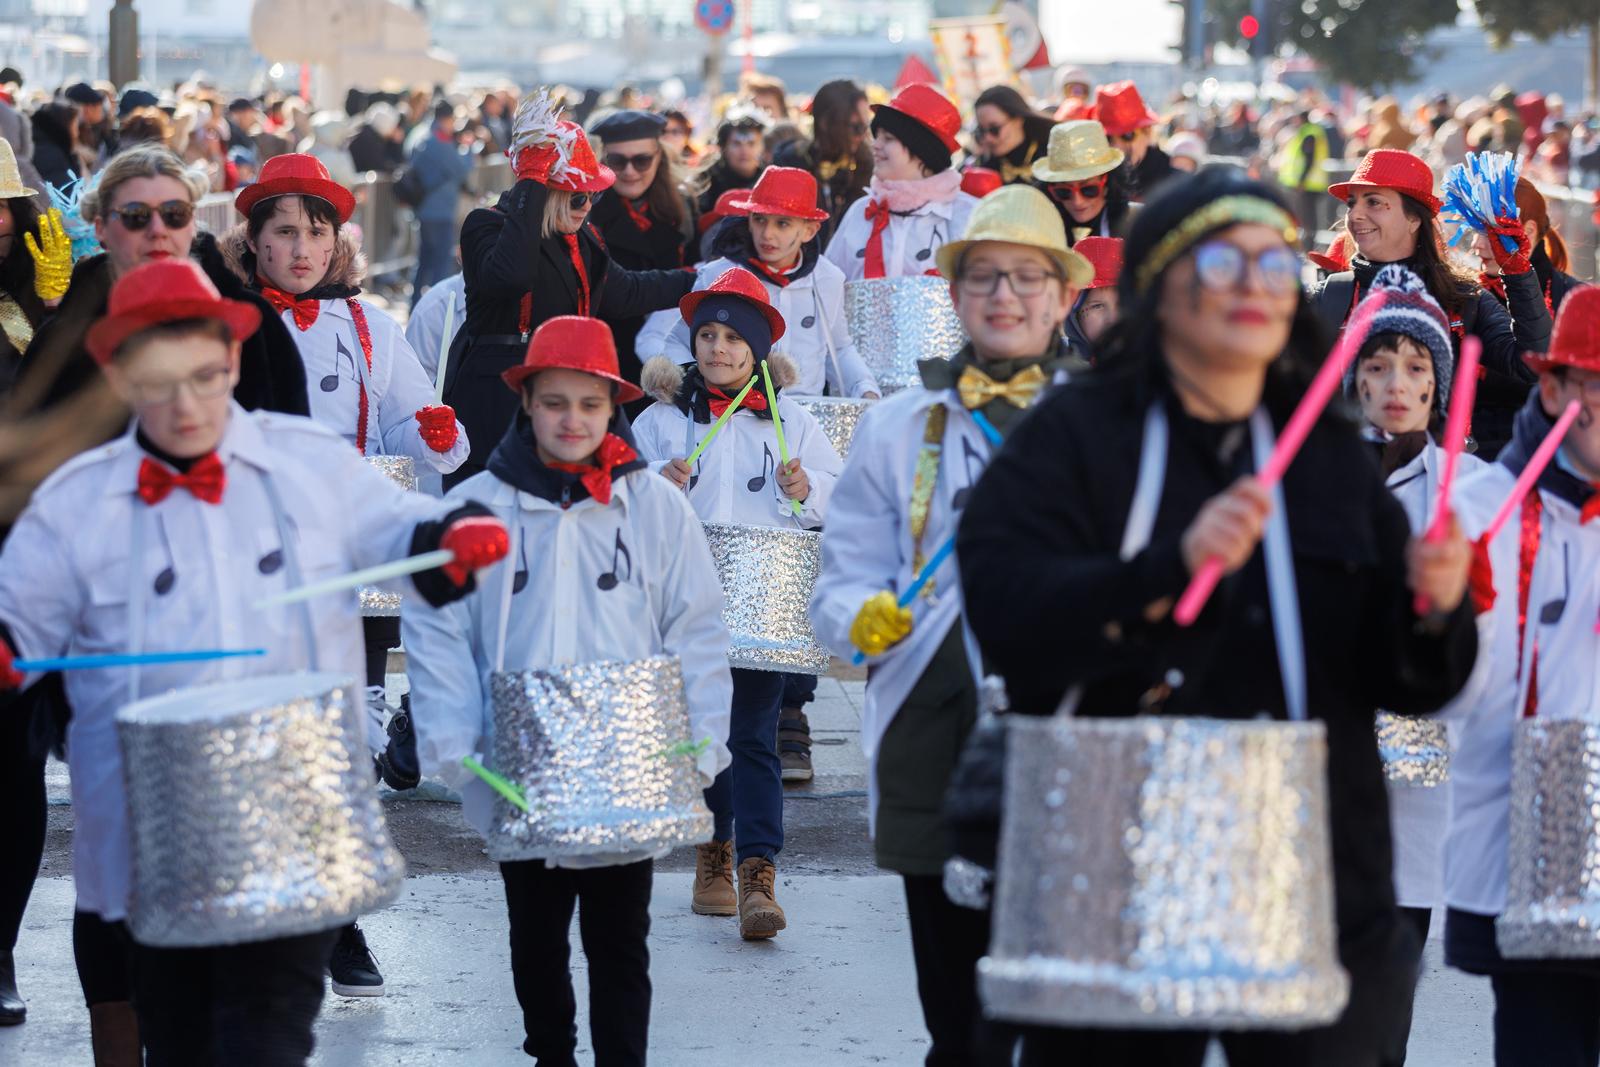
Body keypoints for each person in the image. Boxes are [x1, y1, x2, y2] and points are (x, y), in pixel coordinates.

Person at [957, 168, 1477, 1066]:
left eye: (1273, 267)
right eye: (1222, 265)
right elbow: (1007, 608)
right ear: (1162, 286)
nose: (1254, 287)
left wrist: (1435, 607)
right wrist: (1167, 569)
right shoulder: (1076, 434)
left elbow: (1412, 680)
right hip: (1114, 856)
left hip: (1312, 872)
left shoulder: (1326, 458)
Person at [0, 257, 507, 1064]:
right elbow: (20, 615)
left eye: (204, 376)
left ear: (233, 363)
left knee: (269, 1032)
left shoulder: (306, 462)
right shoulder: (76, 500)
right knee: (179, 1035)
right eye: (160, 381)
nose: (187, 403)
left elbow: (401, 528)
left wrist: (446, 542)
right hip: (150, 832)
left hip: (292, 816)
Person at [810, 183, 1090, 1067]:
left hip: (1071, 739)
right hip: (933, 732)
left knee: (1057, 1012)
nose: (1005, 296)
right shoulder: (896, 427)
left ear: (1063, 295)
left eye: (1026, 277)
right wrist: (866, 617)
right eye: (984, 278)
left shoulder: (1105, 428)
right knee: (958, 1021)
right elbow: (838, 586)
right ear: (955, 293)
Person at [405, 314, 731, 1067]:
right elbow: (440, 629)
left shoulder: (652, 505)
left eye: (589, 404)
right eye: (555, 402)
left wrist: (701, 743)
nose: (572, 419)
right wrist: (454, 748)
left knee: (622, 942)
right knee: (535, 936)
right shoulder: (479, 505)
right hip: (517, 764)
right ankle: (550, 1052)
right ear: (527, 403)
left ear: (611, 405)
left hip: (628, 760)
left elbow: (697, 624)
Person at [632, 266, 843, 940]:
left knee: (753, 733)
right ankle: (713, 849)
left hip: (762, 604)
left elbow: (833, 506)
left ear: (755, 348)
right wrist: (658, 486)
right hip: (686, 605)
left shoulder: (793, 420)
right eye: (708, 336)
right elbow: (622, 504)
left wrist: (806, 487)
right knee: (707, 734)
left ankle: (758, 870)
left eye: (732, 338)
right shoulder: (664, 421)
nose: (718, 349)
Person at [1442, 287, 1600, 1067]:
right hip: (1522, 858)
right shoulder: (1480, 508)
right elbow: (1446, 703)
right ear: (1553, 390)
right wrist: (1450, 620)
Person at [1343, 265, 1487, 1060]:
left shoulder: (1470, 494)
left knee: (1388, 999)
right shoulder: (1311, 481)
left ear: (1439, 382)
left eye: (1417, 366)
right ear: (1352, 376)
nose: (1396, 383)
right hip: (1325, 773)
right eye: (1377, 363)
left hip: (1422, 781)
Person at [8, 144, 309, 510]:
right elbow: (27, 477)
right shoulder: (64, 340)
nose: (157, 230)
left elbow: (293, 451)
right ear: (101, 227)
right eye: (136, 216)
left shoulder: (252, 320)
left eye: (174, 214)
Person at [446, 90, 694, 486]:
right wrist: (532, 181)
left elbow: (624, 291)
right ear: (545, 194)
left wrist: (698, 280)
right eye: (579, 195)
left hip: (570, 398)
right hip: (497, 408)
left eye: (593, 195)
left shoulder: (583, 237)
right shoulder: (486, 225)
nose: (588, 205)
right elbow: (511, 276)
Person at [1308, 149, 1552, 459]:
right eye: (1352, 203)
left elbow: (1532, 363)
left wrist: (1518, 274)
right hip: (1347, 484)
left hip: (1436, 486)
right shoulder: (1325, 298)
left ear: (1413, 219)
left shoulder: (1465, 300)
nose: (1355, 215)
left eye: (1374, 202)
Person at [639, 165, 878, 399]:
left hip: (807, 417)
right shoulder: (718, 274)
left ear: (809, 231)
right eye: (759, 219)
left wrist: (866, 390)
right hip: (735, 417)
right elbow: (679, 342)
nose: (767, 234)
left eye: (782, 223)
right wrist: (696, 392)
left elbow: (838, 349)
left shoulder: (829, 277)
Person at [586, 109, 698, 393]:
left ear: (659, 156)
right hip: (608, 358)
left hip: (671, 357)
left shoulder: (683, 206)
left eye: (642, 160)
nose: (630, 171)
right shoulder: (585, 210)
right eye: (617, 161)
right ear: (602, 160)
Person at [824, 84, 977, 282]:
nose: (875, 145)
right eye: (876, 137)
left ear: (922, 151)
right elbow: (827, 289)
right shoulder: (860, 212)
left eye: (888, 139)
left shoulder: (968, 215)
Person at [773, 80, 874, 245]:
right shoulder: (789, 165)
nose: (862, 135)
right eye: (855, 127)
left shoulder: (868, 167)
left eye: (865, 126)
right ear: (825, 123)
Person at [1472, 177, 1583, 319]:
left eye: (1491, 233)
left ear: (1529, 230)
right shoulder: (1468, 298)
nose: (1476, 244)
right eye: (1475, 231)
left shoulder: (1575, 301)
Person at [408, 101, 478, 309]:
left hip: (424, 209)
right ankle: (436, 308)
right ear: (446, 119)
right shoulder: (440, 141)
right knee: (440, 262)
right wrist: (468, 149)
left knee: (423, 261)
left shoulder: (422, 137)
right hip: (440, 210)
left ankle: (414, 304)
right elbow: (461, 169)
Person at [1030, 118, 1133, 246]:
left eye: (1088, 190)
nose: (1077, 201)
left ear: (1107, 183)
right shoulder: (1034, 230)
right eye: (1063, 192)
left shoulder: (1134, 225)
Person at [1094, 81, 1173, 200]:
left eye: (1127, 135)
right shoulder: (1096, 181)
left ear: (1148, 131)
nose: (1117, 146)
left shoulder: (1173, 181)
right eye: (1108, 137)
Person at [692, 102, 769, 218]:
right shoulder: (705, 180)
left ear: (763, 148)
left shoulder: (770, 180)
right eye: (737, 144)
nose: (745, 151)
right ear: (724, 148)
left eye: (751, 144)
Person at [969, 85, 1054, 185]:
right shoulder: (984, 167)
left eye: (994, 129)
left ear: (1018, 119)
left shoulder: (1054, 151)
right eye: (981, 130)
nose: (988, 138)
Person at [1062, 235, 1121, 360]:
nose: (1113, 318)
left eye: (1121, 304)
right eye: (1097, 306)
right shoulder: (1057, 374)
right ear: (1074, 316)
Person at [1276, 110, 1331, 240]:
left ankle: (1308, 248)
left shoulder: (1309, 133)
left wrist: (1301, 180)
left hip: (1307, 184)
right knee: (1307, 218)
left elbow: (1308, 159)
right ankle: (1307, 246)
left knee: (1307, 219)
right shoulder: (1309, 132)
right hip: (1309, 183)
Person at [29, 102, 79, 192]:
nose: (76, 133)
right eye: (75, 127)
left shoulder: (42, 145)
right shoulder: (50, 156)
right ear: (65, 126)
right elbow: (65, 196)